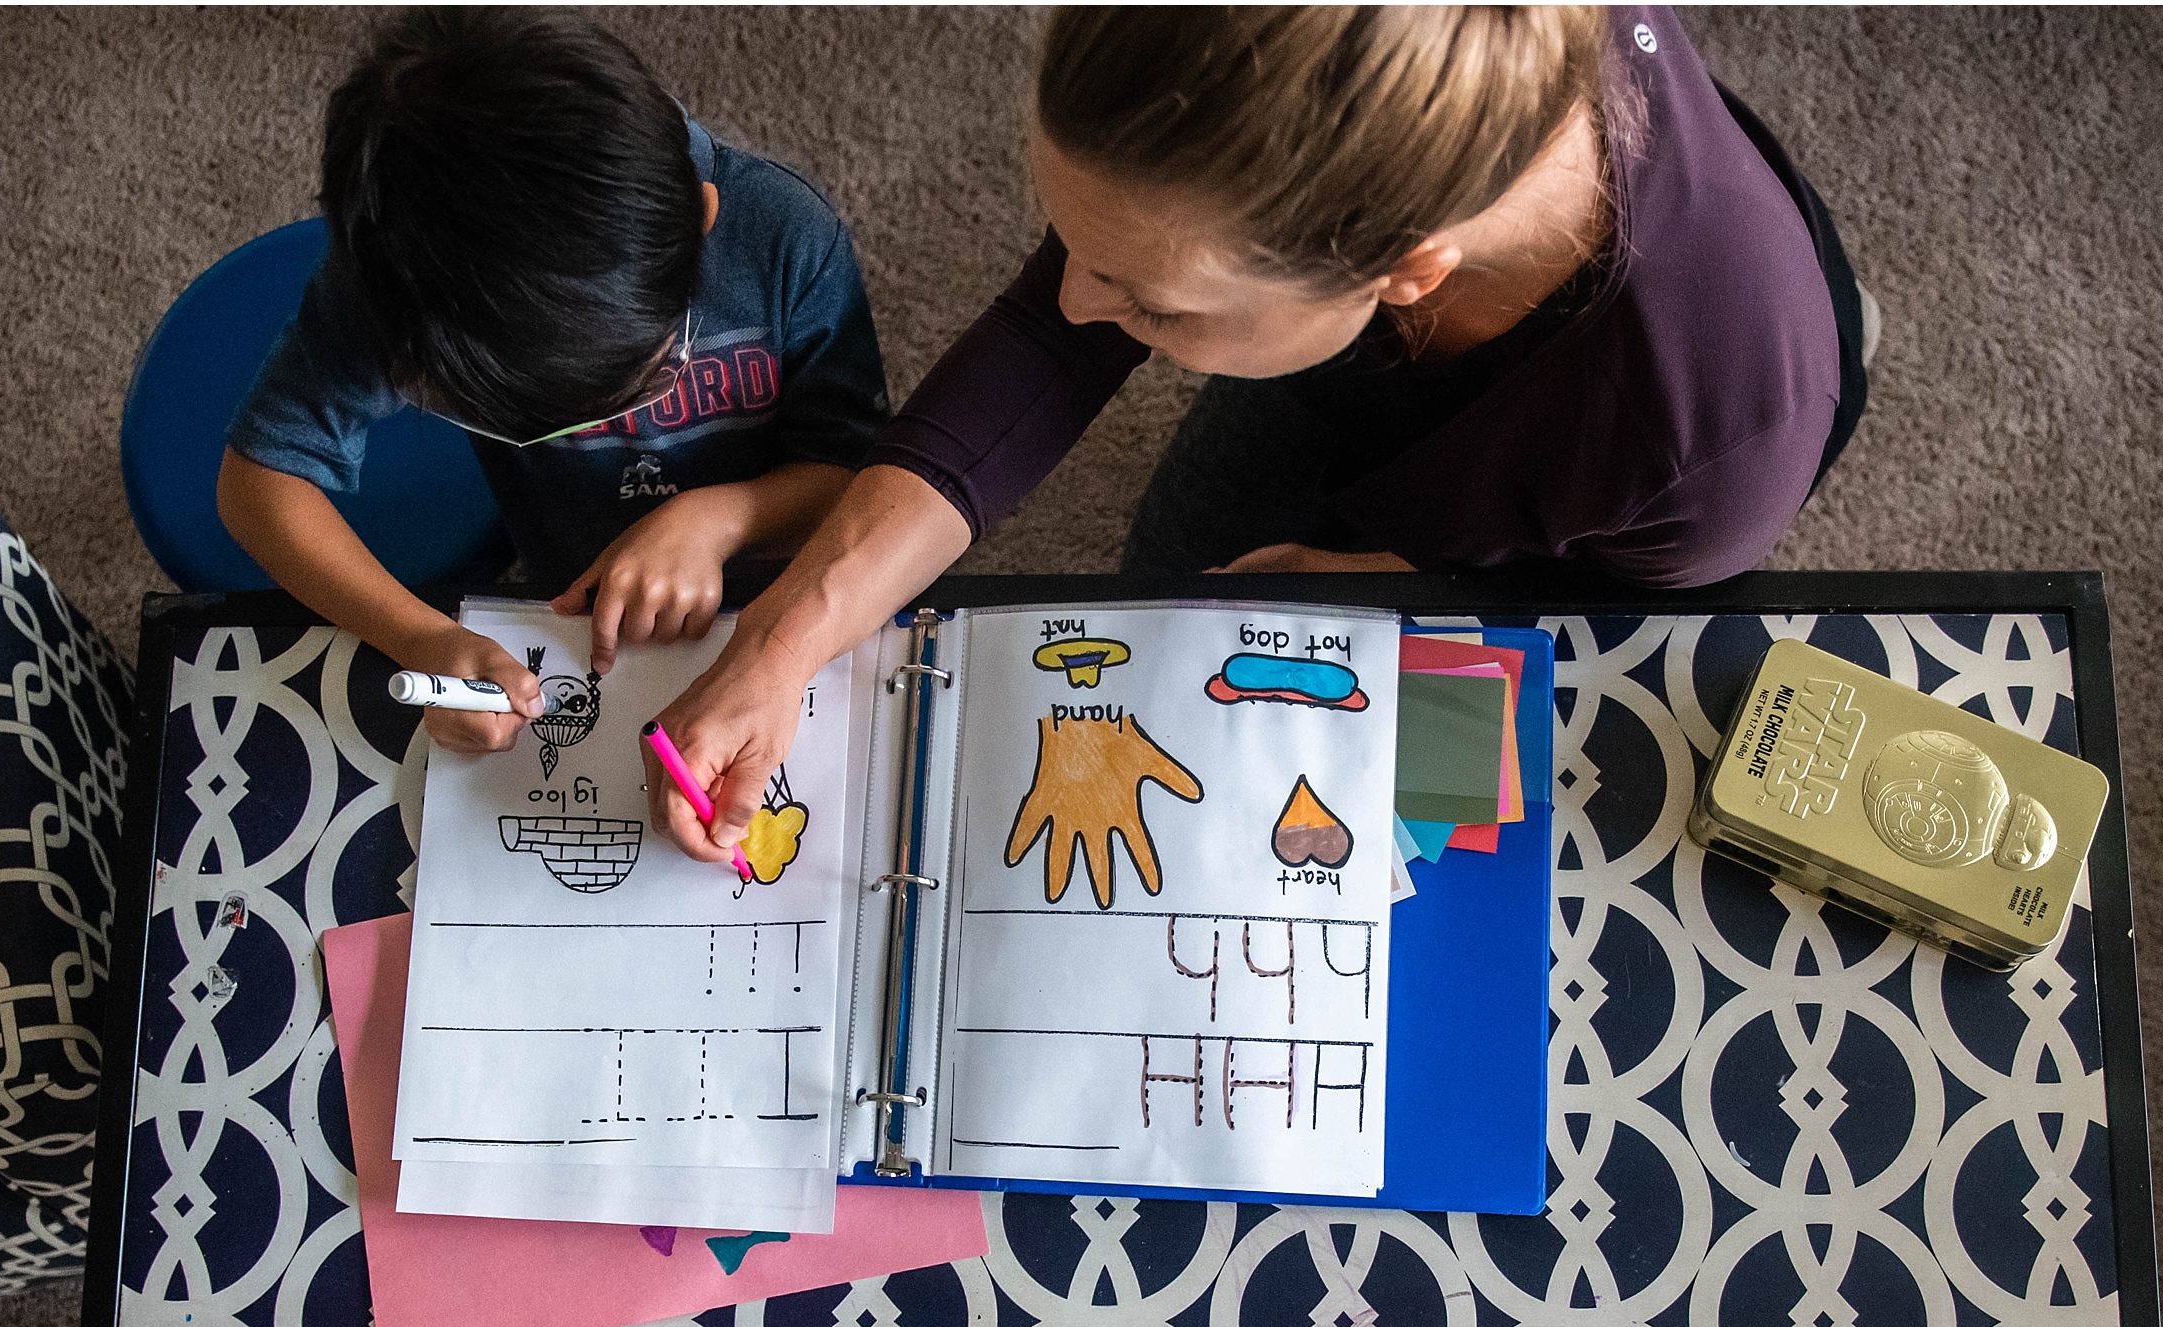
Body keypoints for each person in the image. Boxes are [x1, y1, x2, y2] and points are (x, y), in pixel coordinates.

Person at [645, 4, 1868, 867]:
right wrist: (787, 634)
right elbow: (1052, 337)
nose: (1072, 302)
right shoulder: (1276, 109)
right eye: (1077, 246)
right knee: (1186, 563)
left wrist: (1405, 584)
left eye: (1147, 301)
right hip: (1356, 349)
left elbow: (1599, 618)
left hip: (1607, 478)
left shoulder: (1707, 439)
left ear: (1405, 271)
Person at [217, 8, 891, 753]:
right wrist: (421, 638)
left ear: (699, 224)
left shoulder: (786, 237)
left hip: (795, 579)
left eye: (644, 376)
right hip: (568, 597)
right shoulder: (402, 290)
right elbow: (256, 485)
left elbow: (872, 480)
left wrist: (722, 520)